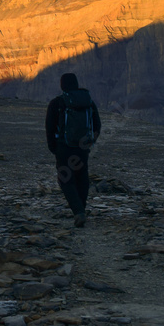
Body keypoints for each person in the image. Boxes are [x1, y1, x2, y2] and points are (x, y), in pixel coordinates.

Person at [45, 73, 101, 227]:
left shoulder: (57, 103)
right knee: (82, 178)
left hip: (64, 148)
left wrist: (54, 148)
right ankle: (81, 210)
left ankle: (78, 212)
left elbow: (49, 128)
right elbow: (97, 125)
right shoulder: (88, 102)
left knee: (66, 179)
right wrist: (91, 142)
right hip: (83, 148)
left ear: (62, 85)